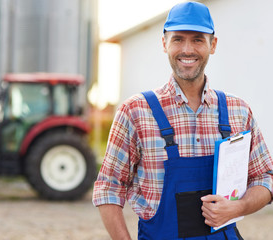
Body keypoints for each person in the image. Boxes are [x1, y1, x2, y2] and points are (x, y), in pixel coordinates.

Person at [92, 2, 273, 240]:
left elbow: (265, 177)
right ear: (164, 43)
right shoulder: (135, 111)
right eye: (178, 39)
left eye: (198, 39)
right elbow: (109, 189)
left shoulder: (238, 111)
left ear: (213, 45)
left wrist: (239, 207)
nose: (187, 49)